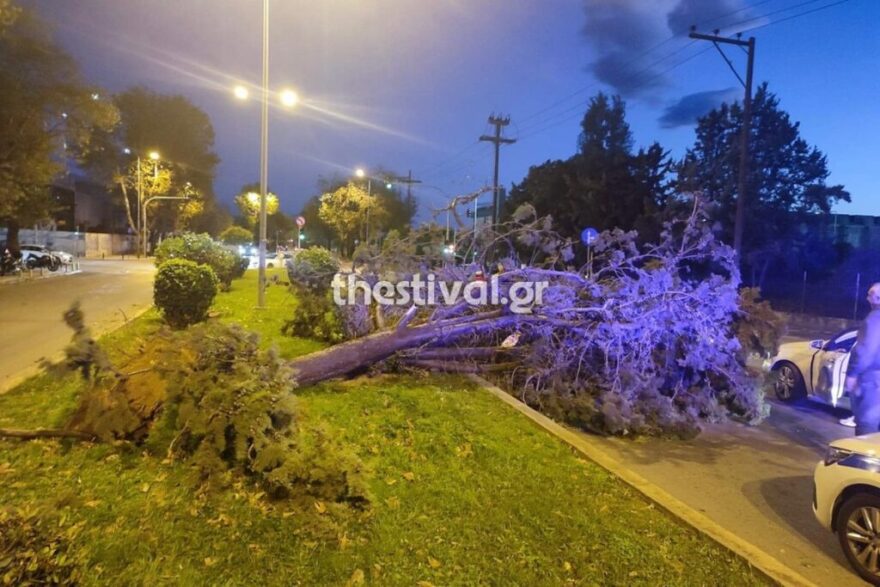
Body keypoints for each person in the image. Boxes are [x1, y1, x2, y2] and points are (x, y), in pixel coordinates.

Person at [844, 283, 880, 436]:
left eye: (869, 295)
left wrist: (852, 374)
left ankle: (863, 458)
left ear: (878, 298)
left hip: (873, 381)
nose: (867, 298)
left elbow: (866, 349)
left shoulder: (875, 319)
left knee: (866, 426)